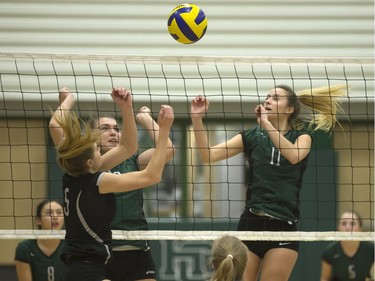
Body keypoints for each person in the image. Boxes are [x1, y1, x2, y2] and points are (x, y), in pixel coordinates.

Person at [190, 84, 346, 281]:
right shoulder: (253, 136)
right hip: (251, 223)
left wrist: (267, 125)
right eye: (267, 97)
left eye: (275, 98)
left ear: (289, 110)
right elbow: (208, 155)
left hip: (283, 228)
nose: (268, 100)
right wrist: (196, 118)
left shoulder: (302, 137)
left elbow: (293, 155)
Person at [49, 86, 174, 281]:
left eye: (116, 128)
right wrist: (164, 128)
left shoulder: (74, 172)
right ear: (91, 161)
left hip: (100, 259)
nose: (112, 133)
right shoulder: (97, 179)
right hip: (89, 264)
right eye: (97, 148)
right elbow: (151, 176)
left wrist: (127, 107)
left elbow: (128, 146)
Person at [15, 199, 65, 281]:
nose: (55, 217)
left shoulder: (71, 246)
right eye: (49, 213)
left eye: (59, 212)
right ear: (39, 220)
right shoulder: (25, 248)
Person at [320, 210, 374, 281]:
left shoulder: (371, 249)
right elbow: (324, 278)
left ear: (360, 228)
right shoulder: (330, 251)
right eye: (344, 223)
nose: (348, 227)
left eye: (352, 223)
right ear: (338, 229)